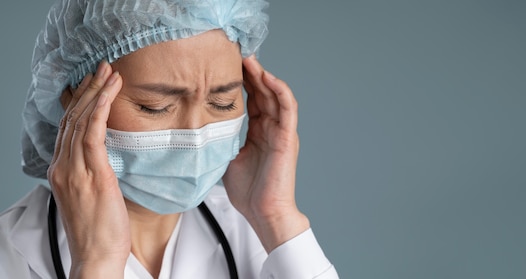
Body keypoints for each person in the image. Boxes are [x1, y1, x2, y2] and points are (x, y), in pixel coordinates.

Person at [0, 0, 339, 278]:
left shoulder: (258, 234)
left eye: (222, 102)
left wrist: (276, 215)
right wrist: (96, 264)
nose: (196, 133)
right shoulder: (10, 254)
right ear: (73, 100)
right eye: (155, 106)